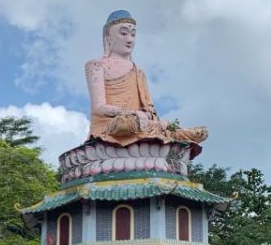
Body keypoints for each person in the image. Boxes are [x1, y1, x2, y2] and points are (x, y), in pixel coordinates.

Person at [84, 10, 207, 146]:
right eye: (123, 33)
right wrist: (131, 113)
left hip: (142, 124)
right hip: (113, 125)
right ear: (108, 36)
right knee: (125, 124)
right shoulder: (96, 65)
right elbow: (98, 107)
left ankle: (170, 133)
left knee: (163, 126)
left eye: (133, 35)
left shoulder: (139, 72)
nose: (129, 40)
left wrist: (158, 122)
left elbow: (149, 110)